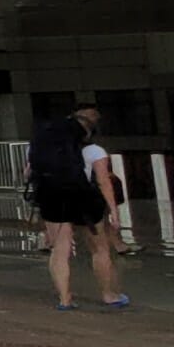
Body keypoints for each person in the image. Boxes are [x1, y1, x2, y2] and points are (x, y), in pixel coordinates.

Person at [29, 104, 123, 311]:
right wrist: (113, 210)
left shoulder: (42, 142)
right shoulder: (94, 151)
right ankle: (109, 295)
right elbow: (103, 181)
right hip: (83, 196)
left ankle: (65, 299)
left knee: (60, 250)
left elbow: (28, 173)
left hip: (51, 195)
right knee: (99, 248)